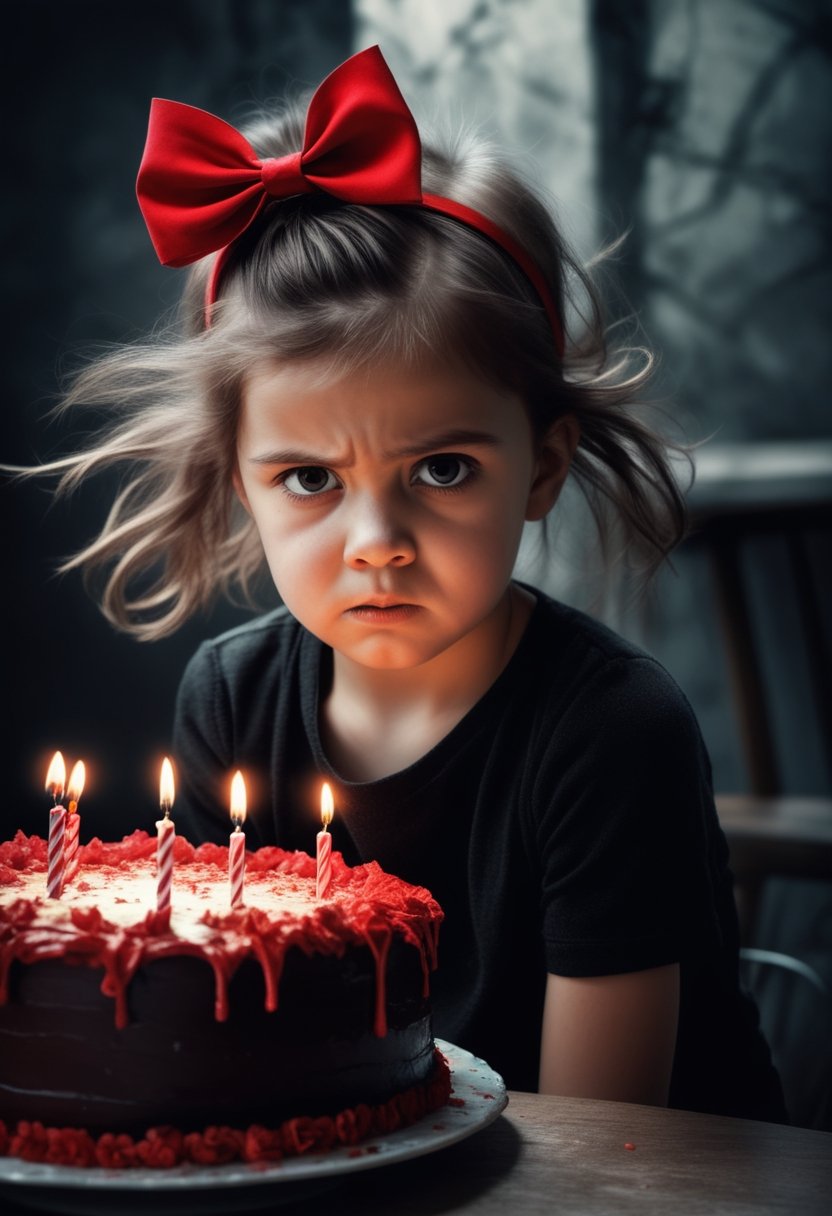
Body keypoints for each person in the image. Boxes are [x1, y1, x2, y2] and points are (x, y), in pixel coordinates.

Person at [32, 46, 785, 1122]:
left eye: (441, 469)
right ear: (239, 481)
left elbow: (605, 1149)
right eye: (307, 478)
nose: (375, 540)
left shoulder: (613, 731)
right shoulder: (231, 701)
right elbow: (223, 1047)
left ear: (545, 466)